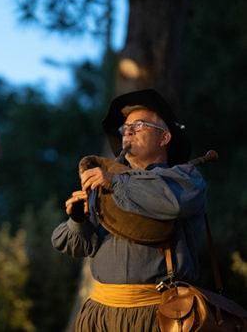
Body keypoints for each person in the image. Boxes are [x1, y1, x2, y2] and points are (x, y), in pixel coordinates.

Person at [51, 89, 206, 331]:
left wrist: (114, 181)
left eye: (139, 125)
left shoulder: (185, 179)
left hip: (158, 314)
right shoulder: (104, 186)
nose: (128, 131)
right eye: (125, 128)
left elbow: (169, 202)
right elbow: (78, 247)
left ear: (164, 137)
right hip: (99, 315)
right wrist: (77, 221)